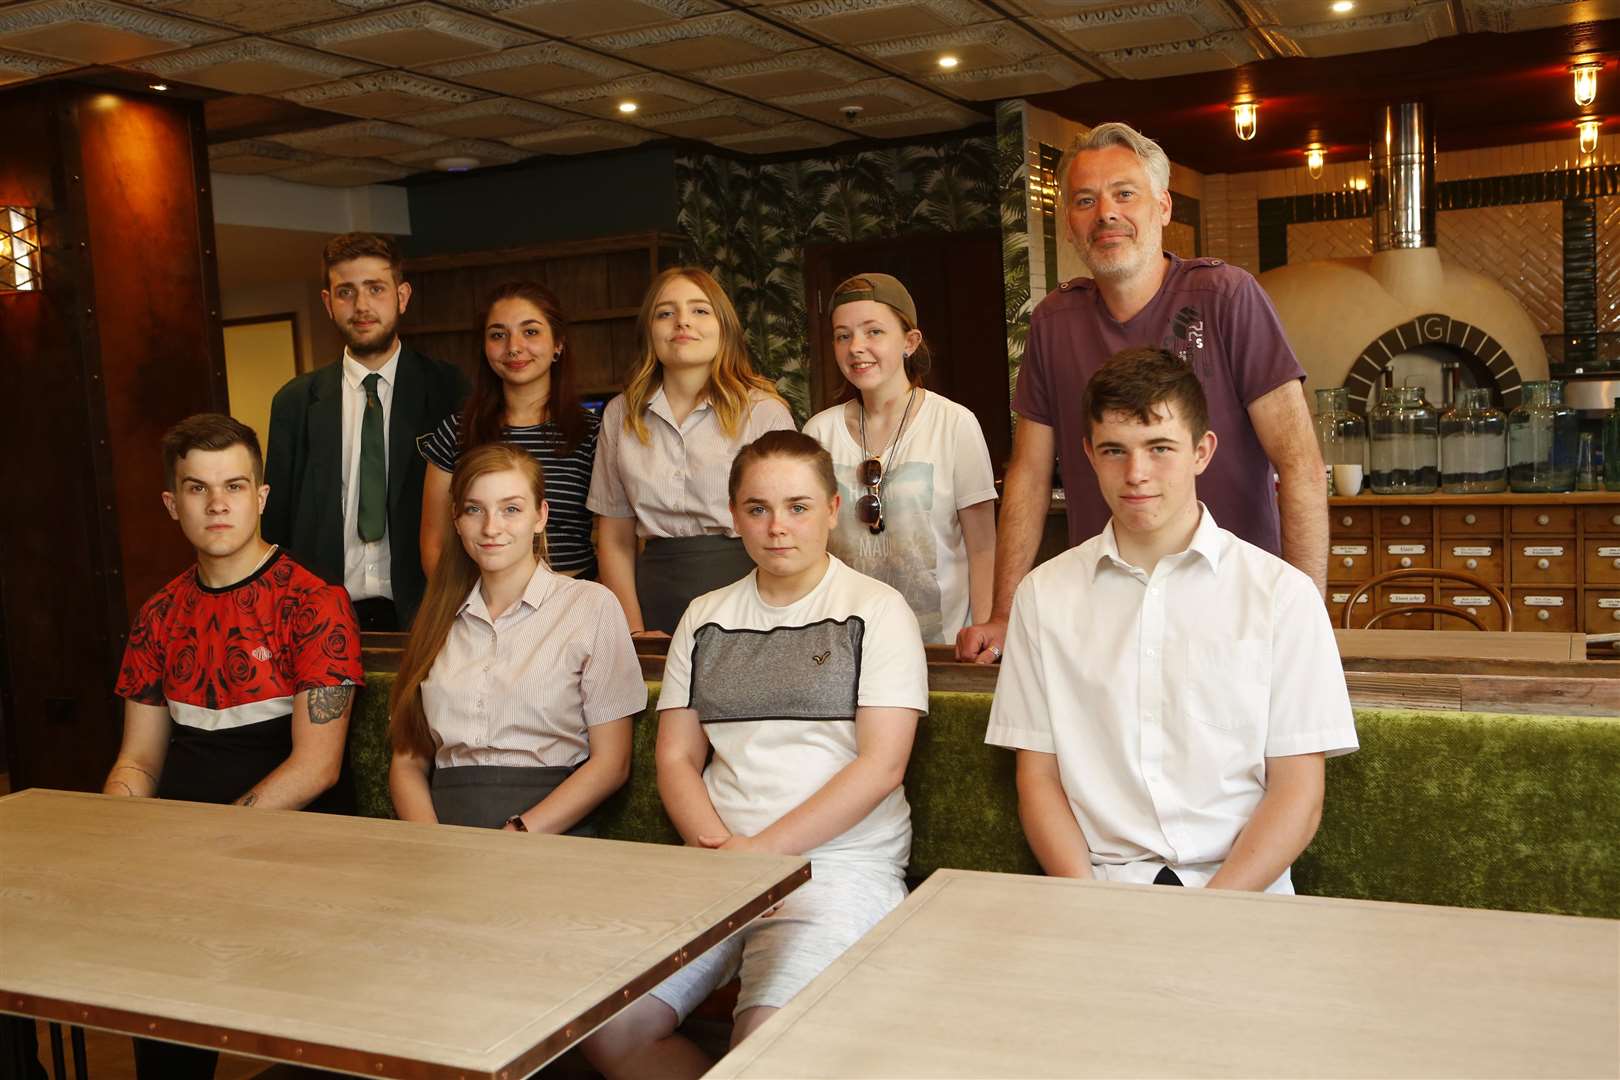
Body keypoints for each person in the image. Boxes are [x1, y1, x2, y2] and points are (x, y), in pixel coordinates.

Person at [582, 431, 927, 1080]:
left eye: (798, 507)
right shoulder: (705, 616)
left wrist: (764, 854)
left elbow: (883, 766)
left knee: (764, 1048)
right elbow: (677, 759)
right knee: (606, 1030)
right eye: (758, 508)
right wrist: (723, 854)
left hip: (840, 869)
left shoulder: (877, 611)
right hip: (720, 864)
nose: (777, 528)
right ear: (733, 515)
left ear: (832, 508)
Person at [984, 348, 1356, 893]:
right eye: (1115, 450)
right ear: (1088, 454)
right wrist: (1087, 902)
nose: (1136, 474)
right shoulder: (1043, 596)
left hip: (1243, 891)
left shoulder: (1283, 597)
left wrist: (1212, 911)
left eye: (1160, 448)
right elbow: (1037, 779)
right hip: (1099, 889)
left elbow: (1299, 794)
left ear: (1202, 451)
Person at [958, 121, 1326, 664]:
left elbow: (1299, 462)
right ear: (1069, 222)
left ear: (1163, 207)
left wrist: (1305, 617)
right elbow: (1030, 474)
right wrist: (1006, 612)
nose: (1106, 212)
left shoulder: (1225, 296)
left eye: (1124, 194)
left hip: (1233, 608)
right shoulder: (1054, 321)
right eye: (1085, 200)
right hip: (1110, 608)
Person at [105, 413, 362, 1080]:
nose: (217, 504)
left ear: (261, 497)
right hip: (181, 864)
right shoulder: (157, 615)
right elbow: (139, 760)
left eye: (235, 486)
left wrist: (206, 847)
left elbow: (317, 767)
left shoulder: (315, 603)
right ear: (172, 504)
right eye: (197, 488)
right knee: (151, 1016)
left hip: (295, 855)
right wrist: (113, 830)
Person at [387, 444, 644, 833]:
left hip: (549, 831)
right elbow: (407, 760)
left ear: (540, 516)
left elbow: (612, 764)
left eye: (511, 509)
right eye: (475, 509)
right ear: (456, 520)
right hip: (441, 832)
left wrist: (520, 832)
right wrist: (431, 842)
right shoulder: (436, 617)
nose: (492, 527)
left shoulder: (591, 606)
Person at [263, 231, 467, 631]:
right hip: (323, 619)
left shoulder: (450, 391)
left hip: (429, 611)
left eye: (375, 288)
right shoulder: (294, 403)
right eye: (346, 292)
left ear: (402, 296)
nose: (361, 306)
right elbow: (276, 529)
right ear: (328, 303)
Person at [588, 266, 795, 637]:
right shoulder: (620, 413)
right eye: (665, 313)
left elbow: (790, 525)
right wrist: (633, 632)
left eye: (700, 310)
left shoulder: (764, 412)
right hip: (652, 597)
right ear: (649, 331)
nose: (682, 322)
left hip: (750, 591)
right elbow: (615, 534)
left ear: (725, 328)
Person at [801, 273, 996, 644]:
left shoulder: (954, 423)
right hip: (844, 645)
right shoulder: (818, 432)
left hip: (939, 642)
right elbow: (810, 544)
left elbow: (983, 545)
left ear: (910, 341)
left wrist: (982, 629)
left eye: (873, 332)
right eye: (843, 335)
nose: (856, 347)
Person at [419, 281, 599, 581]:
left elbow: (616, 540)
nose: (514, 347)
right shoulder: (456, 431)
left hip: (575, 604)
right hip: (480, 605)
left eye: (530, 332)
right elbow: (435, 542)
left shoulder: (593, 433)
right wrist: (462, 612)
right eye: (498, 335)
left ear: (558, 344)